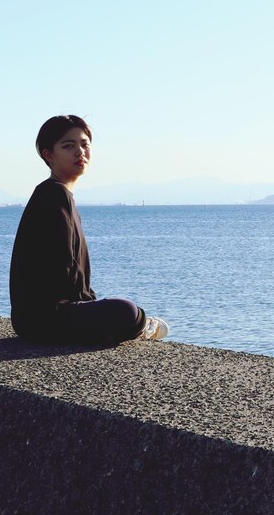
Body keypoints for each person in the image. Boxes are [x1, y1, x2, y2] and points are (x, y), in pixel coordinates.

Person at [9, 115, 169, 344]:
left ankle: (126, 324)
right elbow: (63, 265)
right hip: (47, 319)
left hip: (31, 322)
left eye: (85, 145)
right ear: (48, 155)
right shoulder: (55, 194)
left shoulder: (55, 194)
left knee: (119, 309)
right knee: (126, 310)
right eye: (68, 146)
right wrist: (88, 305)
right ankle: (142, 326)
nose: (80, 152)